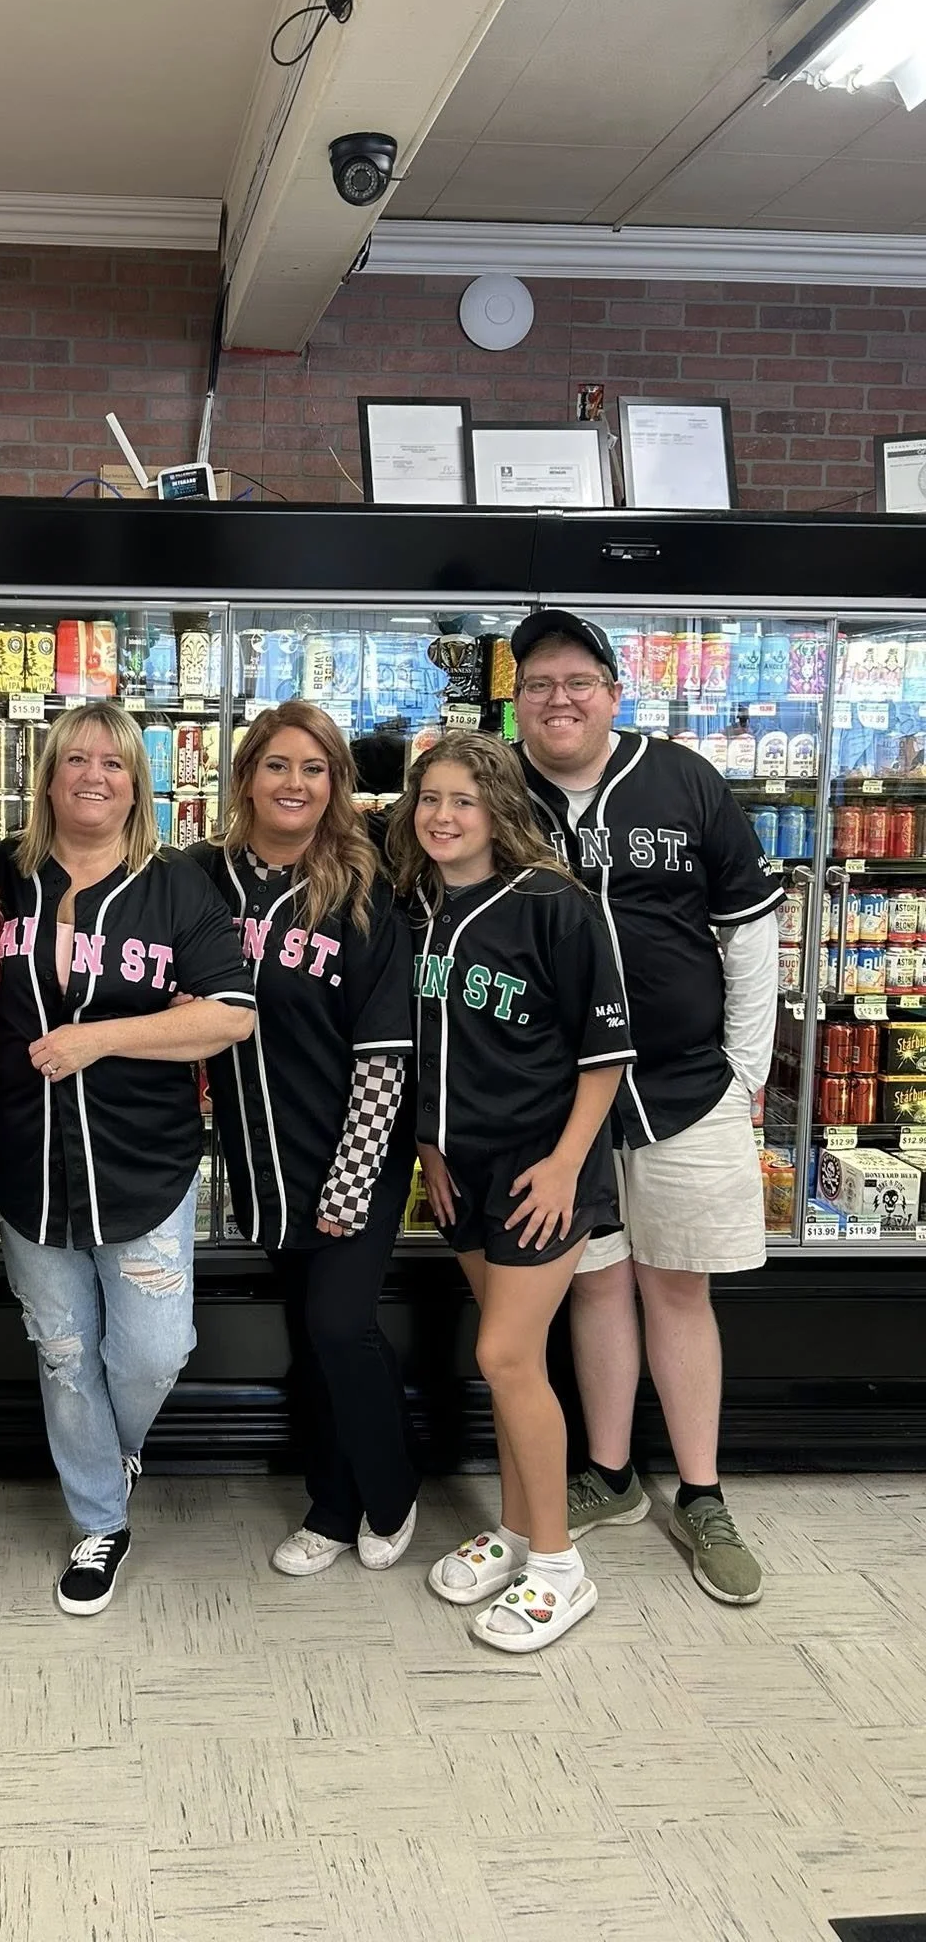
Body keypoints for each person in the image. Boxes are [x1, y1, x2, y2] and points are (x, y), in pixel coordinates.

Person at [510, 609, 782, 1606]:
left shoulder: (684, 778)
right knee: (592, 1282)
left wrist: (744, 1070)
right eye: (538, 682)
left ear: (613, 691)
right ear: (518, 699)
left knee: (678, 1286)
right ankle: (614, 1474)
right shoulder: (498, 788)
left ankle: (702, 1491)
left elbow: (750, 929)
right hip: (550, 1097)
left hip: (683, 1084)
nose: (559, 698)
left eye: (578, 679)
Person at [0, 704, 255, 1617]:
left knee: (151, 1352)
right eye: (75, 759)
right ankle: (100, 1516)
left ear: (139, 782)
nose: (93, 775)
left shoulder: (175, 884)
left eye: (114, 762)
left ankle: (112, 1447)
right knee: (64, 1355)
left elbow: (229, 1013)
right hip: (27, 1162)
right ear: (48, 774)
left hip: (144, 1163)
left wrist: (103, 1039)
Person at [387, 731, 633, 1651]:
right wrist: (426, 1141)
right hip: (461, 1169)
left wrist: (570, 1162)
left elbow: (604, 1055)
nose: (443, 816)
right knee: (511, 1359)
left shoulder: (555, 906)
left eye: (464, 800)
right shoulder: (415, 906)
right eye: (430, 799)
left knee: (505, 1357)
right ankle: (520, 1527)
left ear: (499, 810)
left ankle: (562, 1570)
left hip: (542, 1169)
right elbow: (417, 1041)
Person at [186, 701, 419, 1578]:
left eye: (315, 769)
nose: (296, 784)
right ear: (245, 775)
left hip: (351, 1148)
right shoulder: (202, 876)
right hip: (259, 1154)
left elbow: (386, 1049)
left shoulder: (363, 884)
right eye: (278, 765)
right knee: (312, 1330)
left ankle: (384, 1491)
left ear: (338, 783)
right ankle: (332, 1498)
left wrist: (352, 1180)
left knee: (339, 1322)